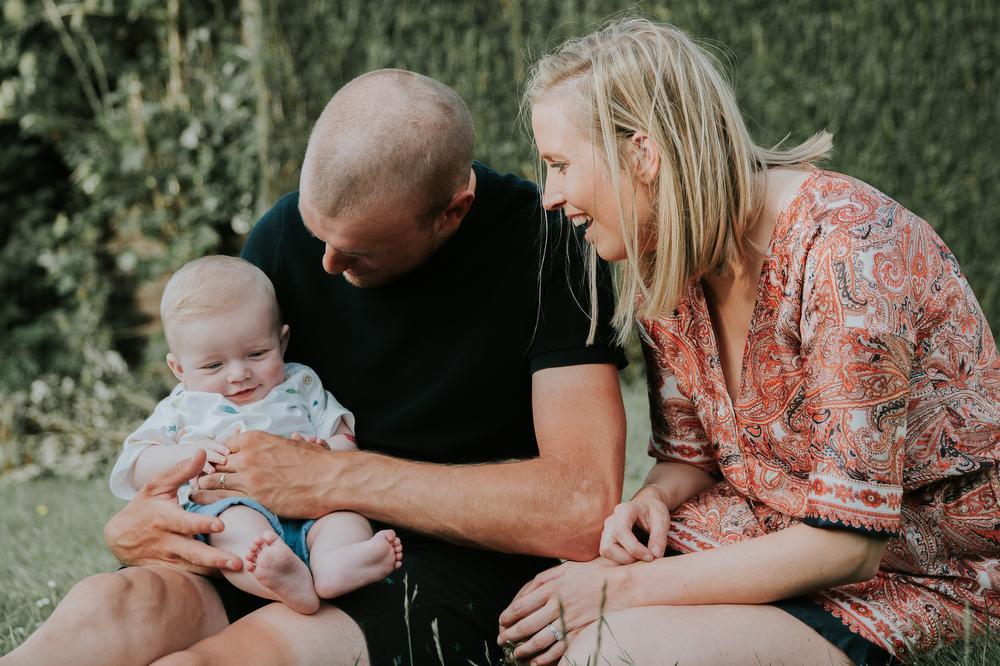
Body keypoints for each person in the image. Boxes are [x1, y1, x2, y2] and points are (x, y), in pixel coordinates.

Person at [2, 69, 625, 665]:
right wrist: (141, 521)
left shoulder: (551, 249)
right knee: (117, 607)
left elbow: (579, 506)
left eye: (358, 252)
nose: (325, 264)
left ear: (452, 212)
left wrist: (332, 479)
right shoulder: (280, 237)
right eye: (315, 232)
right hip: (266, 535)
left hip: (433, 558)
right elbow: (220, 408)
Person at [498, 17, 1000, 665]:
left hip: (916, 571)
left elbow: (849, 543)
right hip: (760, 527)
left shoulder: (850, 252)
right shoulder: (663, 262)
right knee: (554, 625)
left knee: (614, 650)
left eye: (561, 165)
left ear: (642, 154)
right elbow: (694, 456)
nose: (551, 195)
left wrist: (622, 587)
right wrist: (652, 499)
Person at [109, 255, 403, 616]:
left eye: (256, 353)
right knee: (230, 528)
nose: (238, 374)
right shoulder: (183, 406)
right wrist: (188, 453)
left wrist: (325, 453)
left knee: (345, 519)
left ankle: (334, 567)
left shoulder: (301, 384)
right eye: (214, 365)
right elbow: (136, 461)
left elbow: (344, 436)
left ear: (282, 342)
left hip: (313, 500)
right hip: (230, 505)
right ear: (179, 369)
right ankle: (281, 580)